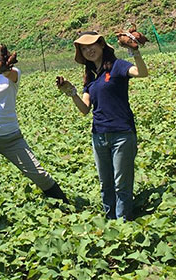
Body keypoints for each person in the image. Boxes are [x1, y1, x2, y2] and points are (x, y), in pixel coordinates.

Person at [0, 36, 69, 222]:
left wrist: (4, 69)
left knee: (38, 173)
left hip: (11, 136)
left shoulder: (13, 73)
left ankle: (66, 207)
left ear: (1, 54)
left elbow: (11, 75)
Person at [56, 31, 148, 220]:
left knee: (121, 184)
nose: (89, 50)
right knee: (105, 184)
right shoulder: (91, 78)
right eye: (84, 48)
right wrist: (71, 92)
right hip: (98, 135)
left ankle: (123, 224)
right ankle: (110, 221)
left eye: (92, 45)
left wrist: (135, 52)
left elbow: (141, 73)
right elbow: (84, 109)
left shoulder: (117, 66)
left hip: (122, 134)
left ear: (101, 46)